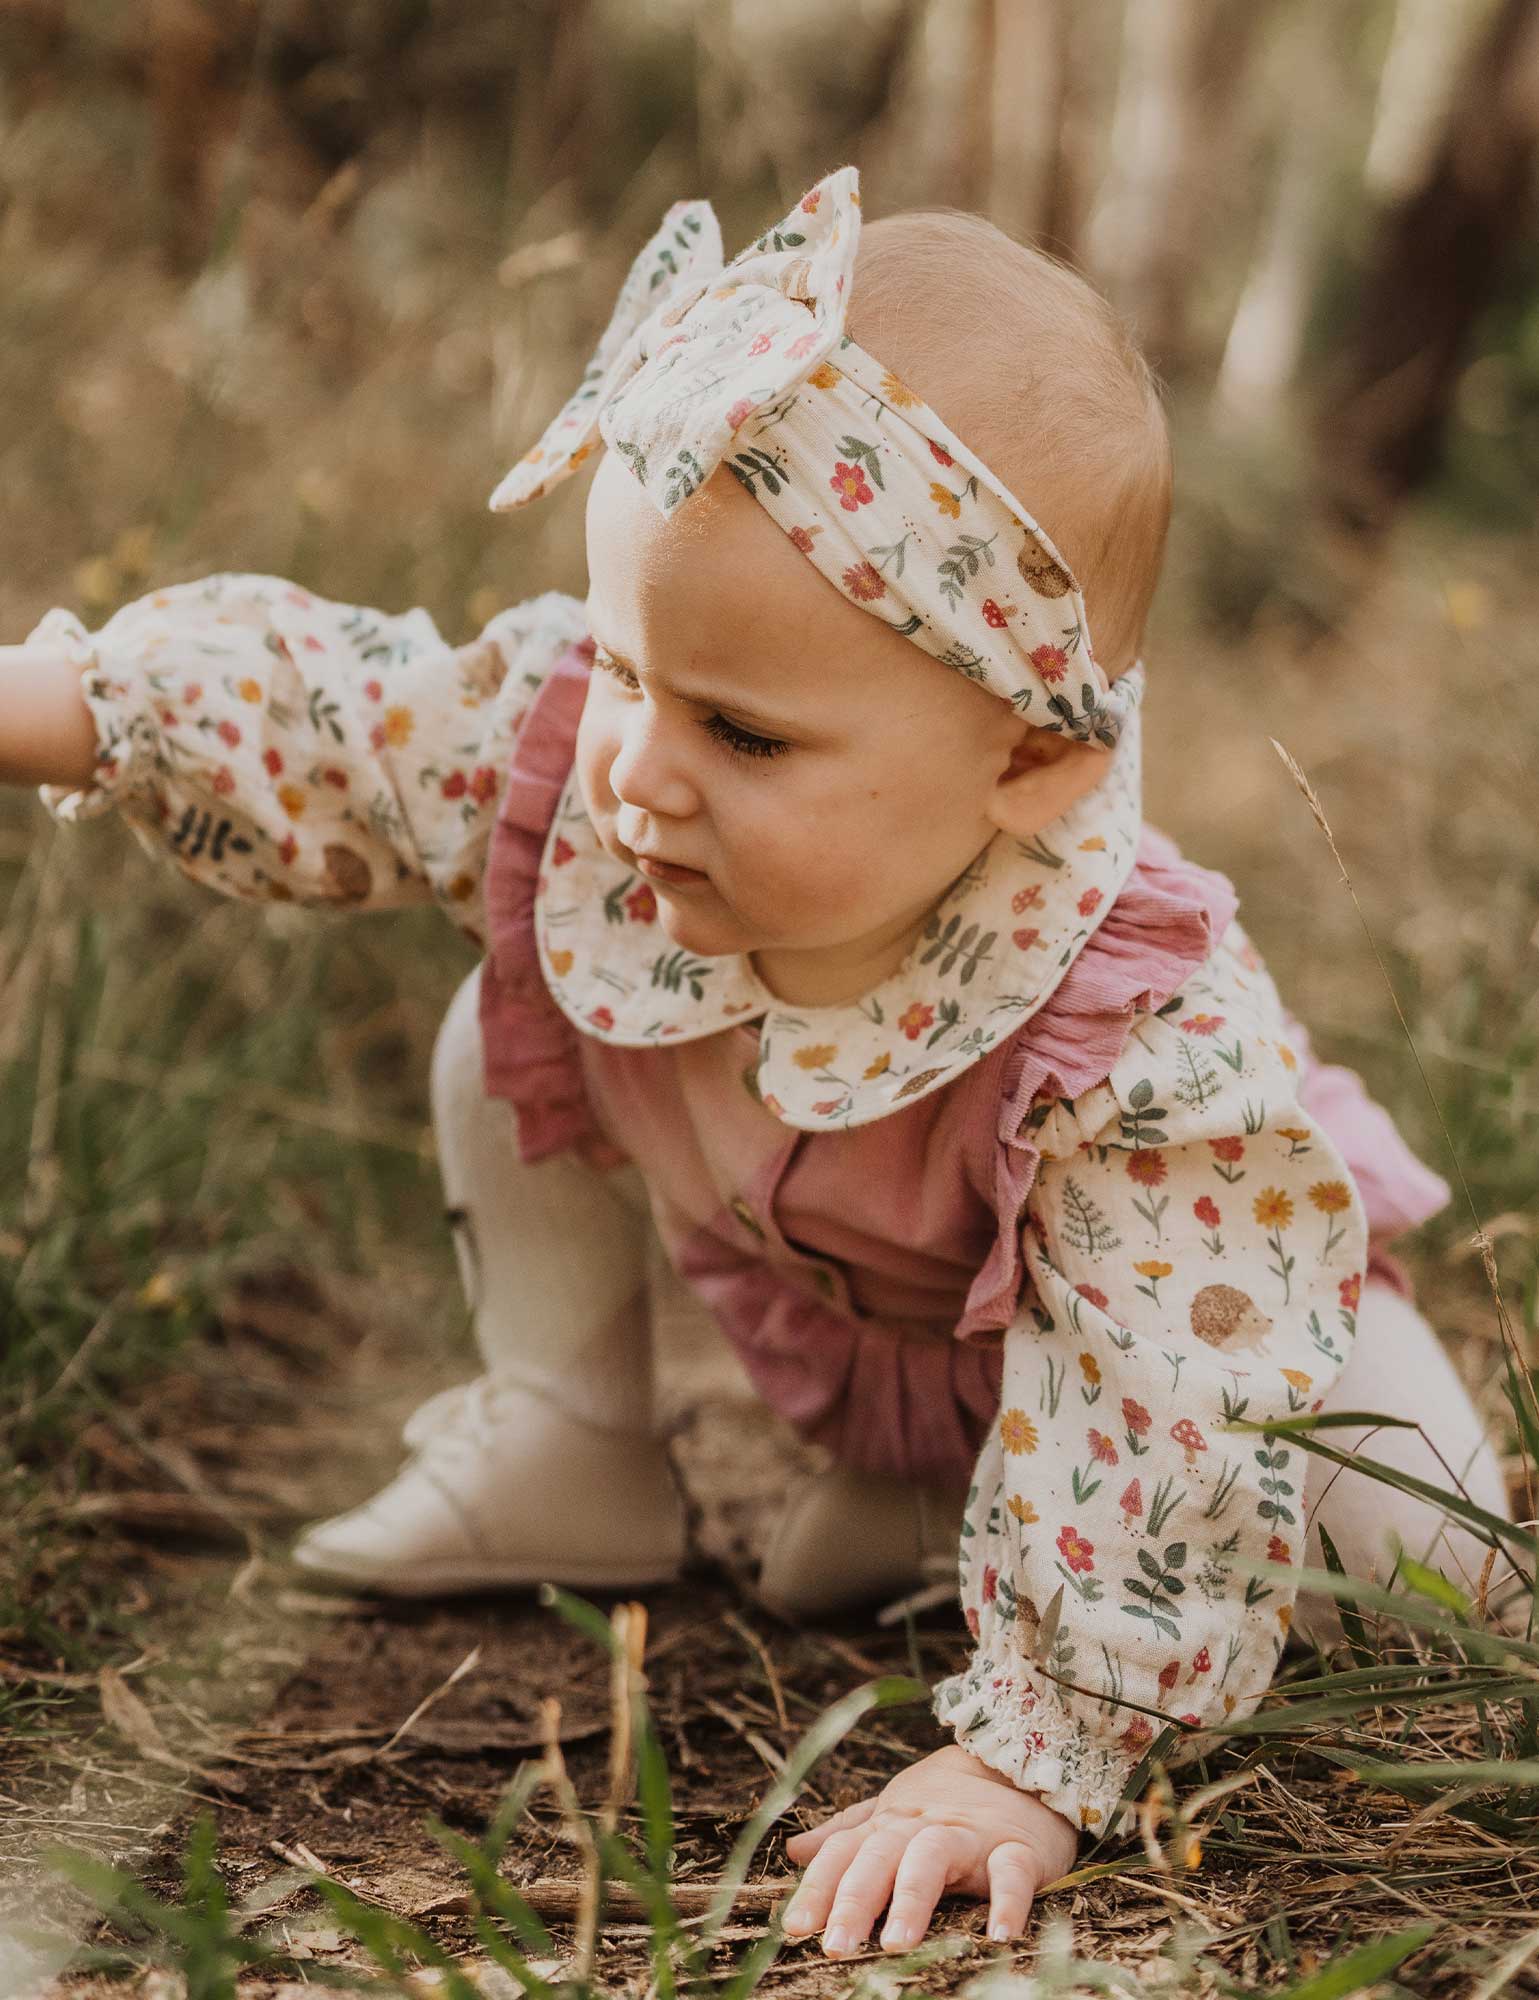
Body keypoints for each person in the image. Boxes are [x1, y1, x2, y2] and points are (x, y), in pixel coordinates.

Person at [1, 165, 1512, 1955]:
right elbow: (360, 714)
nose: (638, 760)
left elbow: (1173, 1388)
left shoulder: (1136, 1041)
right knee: (525, 993)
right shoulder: (610, 770)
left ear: (1033, 763)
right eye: (635, 669)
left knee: (1426, 1577)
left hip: (1218, 1344)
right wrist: (75, 700)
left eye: (740, 729)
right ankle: (575, 1434)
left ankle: (996, 1552)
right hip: (907, 1336)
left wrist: (1038, 1753)